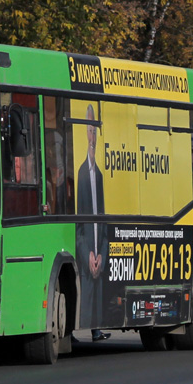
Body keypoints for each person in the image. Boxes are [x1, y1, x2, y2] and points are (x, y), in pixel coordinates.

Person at [75, 106, 110, 342]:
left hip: (97, 251)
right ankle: (77, 330)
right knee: (84, 293)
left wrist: (101, 255)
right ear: (85, 134)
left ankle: (96, 330)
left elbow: (103, 223)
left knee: (96, 295)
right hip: (86, 253)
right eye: (89, 130)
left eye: (95, 130)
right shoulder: (80, 174)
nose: (92, 136)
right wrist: (87, 252)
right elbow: (78, 224)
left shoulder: (99, 175)